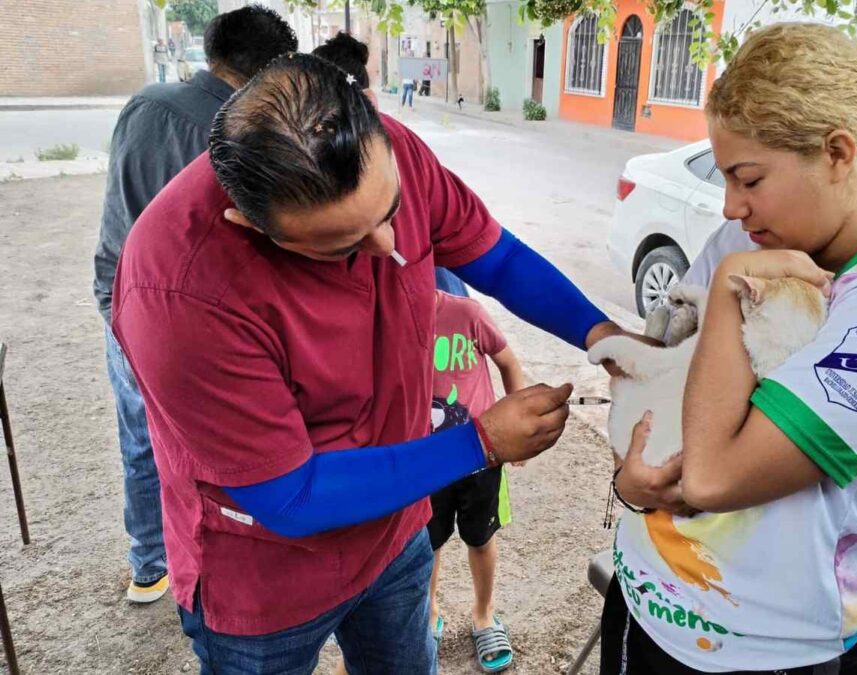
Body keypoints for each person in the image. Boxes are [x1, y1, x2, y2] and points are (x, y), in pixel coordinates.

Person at [112, 53, 633, 673]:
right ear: (249, 224)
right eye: (343, 246)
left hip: (396, 525)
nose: (391, 246)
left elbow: (495, 255)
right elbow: (291, 495)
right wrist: (481, 444)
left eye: (390, 213)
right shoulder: (179, 291)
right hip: (265, 573)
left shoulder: (388, 155)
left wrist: (604, 337)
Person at [600, 11, 857, 675]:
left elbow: (715, 474)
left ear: (838, 153)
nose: (729, 208)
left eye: (749, 179)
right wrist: (632, 482)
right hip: (649, 604)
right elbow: (661, 396)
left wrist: (725, 293)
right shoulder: (750, 242)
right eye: (723, 178)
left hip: (769, 653)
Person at [93, 5, 298, 604]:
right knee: (207, 447)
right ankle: (210, 573)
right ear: (269, 71)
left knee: (139, 433)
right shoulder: (238, 132)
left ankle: (148, 564)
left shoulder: (144, 103)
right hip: (186, 320)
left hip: (118, 297)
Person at [313, 33, 467, 298]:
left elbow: (496, 255)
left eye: (387, 214)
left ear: (369, 103)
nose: (385, 245)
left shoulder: (406, 150)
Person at [426, 291, 527, 672]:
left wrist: (518, 427)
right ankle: (429, 612)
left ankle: (484, 614)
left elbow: (508, 361)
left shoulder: (466, 313)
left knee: (481, 539)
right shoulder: (388, 318)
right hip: (424, 465)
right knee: (427, 545)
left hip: (481, 459)